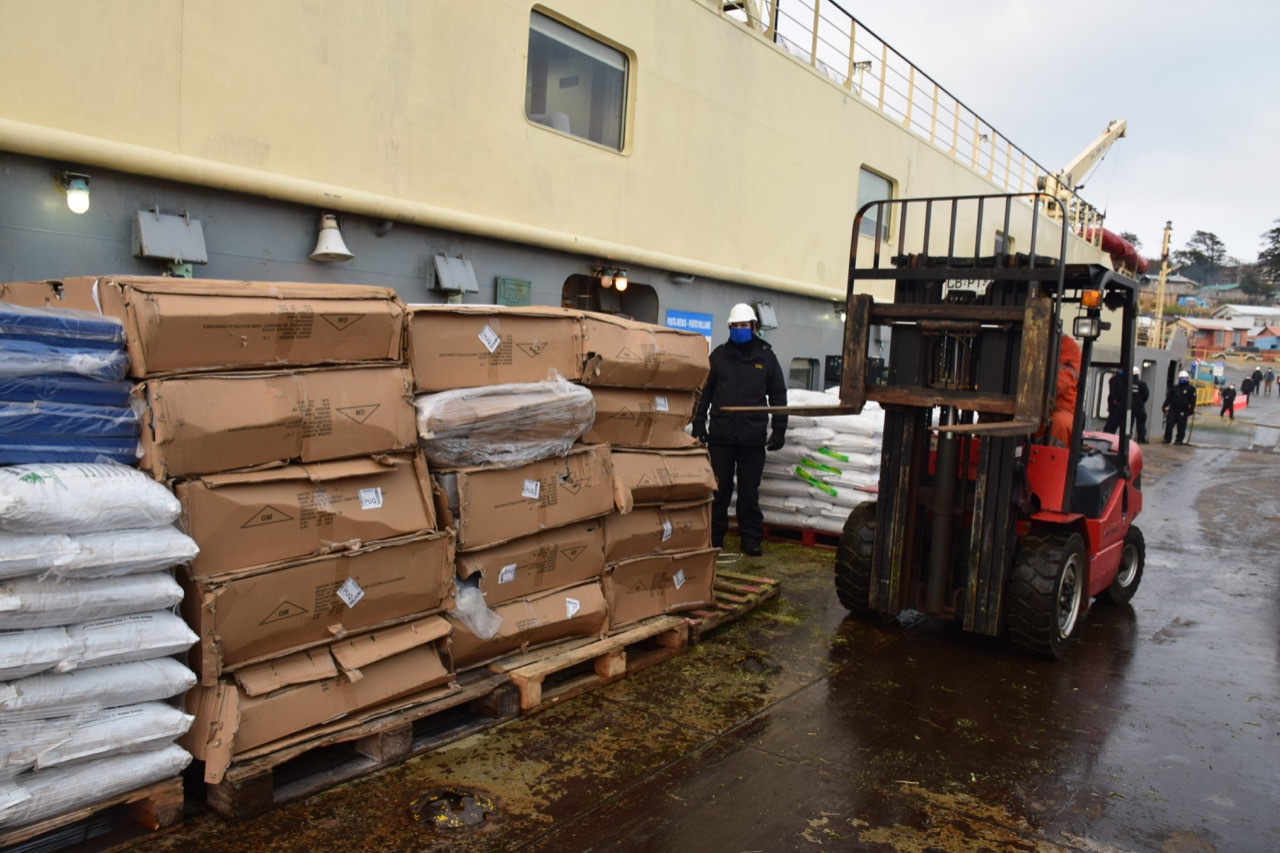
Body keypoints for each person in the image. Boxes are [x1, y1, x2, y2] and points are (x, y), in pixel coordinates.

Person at [691, 303, 788, 557]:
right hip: (721, 437)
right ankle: (714, 537)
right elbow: (705, 394)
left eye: (743, 326)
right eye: (734, 326)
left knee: (748, 492)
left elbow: (778, 394)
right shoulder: (719, 357)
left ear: (753, 327)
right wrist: (699, 424)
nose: (739, 330)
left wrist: (779, 429)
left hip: (752, 438)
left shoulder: (766, 357)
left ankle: (751, 539)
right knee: (718, 490)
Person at [1162, 370, 1197, 445]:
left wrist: (1191, 410)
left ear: (1187, 378)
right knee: (1169, 424)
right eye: (1181, 378)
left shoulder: (1191, 389)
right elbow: (1169, 398)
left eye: (1183, 378)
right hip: (1173, 409)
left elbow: (1193, 401)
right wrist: (1164, 406)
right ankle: (1167, 439)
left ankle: (1179, 440)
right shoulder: (1175, 388)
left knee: (1181, 426)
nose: (1182, 379)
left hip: (1183, 410)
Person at [1130, 366, 1150, 442]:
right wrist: (1141, 401)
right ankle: (1141, 438)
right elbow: (1146, 394)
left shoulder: (1126, 383)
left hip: (1129, 406)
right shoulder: (1142, 384)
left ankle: (1127, 437)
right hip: (1139, 406)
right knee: (1141, 423)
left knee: (1128, 423)